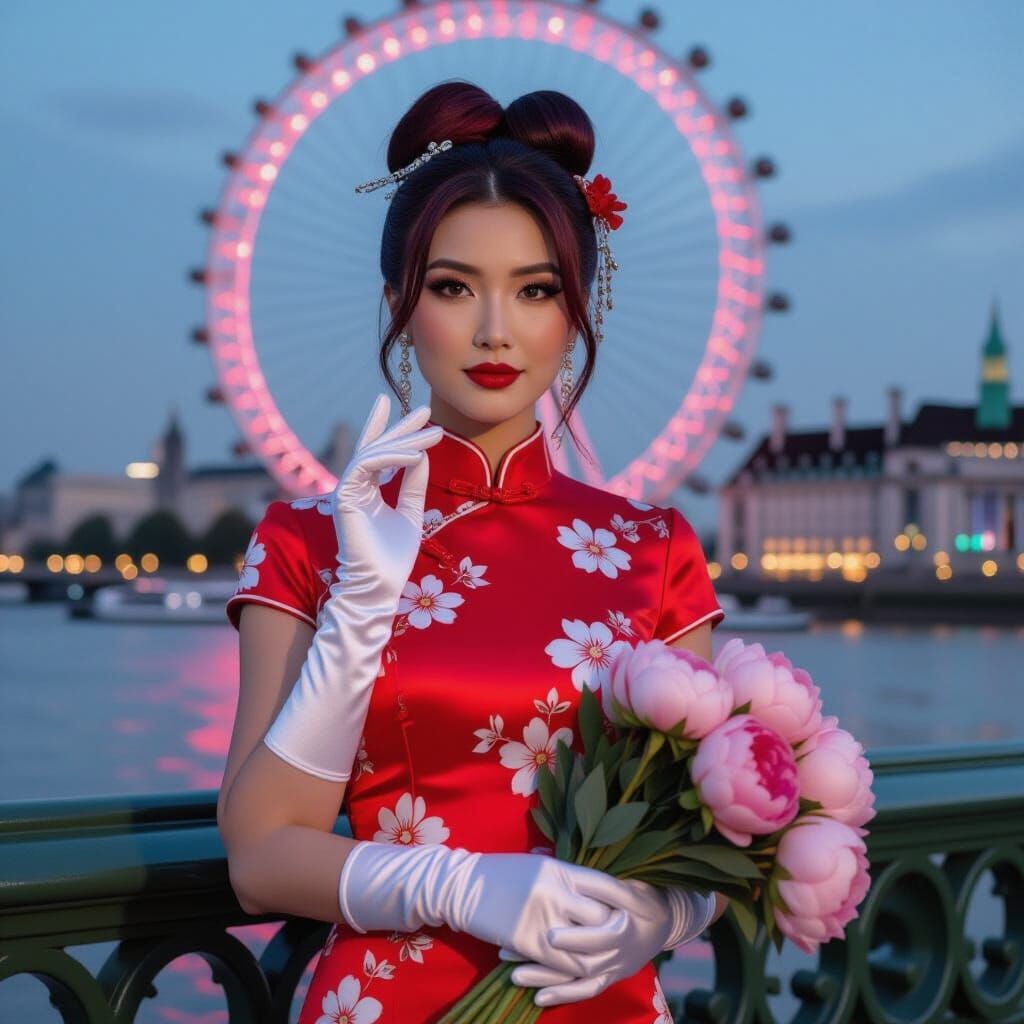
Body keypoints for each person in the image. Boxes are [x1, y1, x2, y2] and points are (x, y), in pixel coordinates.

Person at [218, 81, 728, 1023]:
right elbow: (258, 859)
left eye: (535, 290)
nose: (496, 329)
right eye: (454, 287)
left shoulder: (654, 550)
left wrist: (666, 914)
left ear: (576, 311)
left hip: (602, 1001)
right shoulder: (307, 543)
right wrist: (364, 601)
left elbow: (713, 837)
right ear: (400, 304)